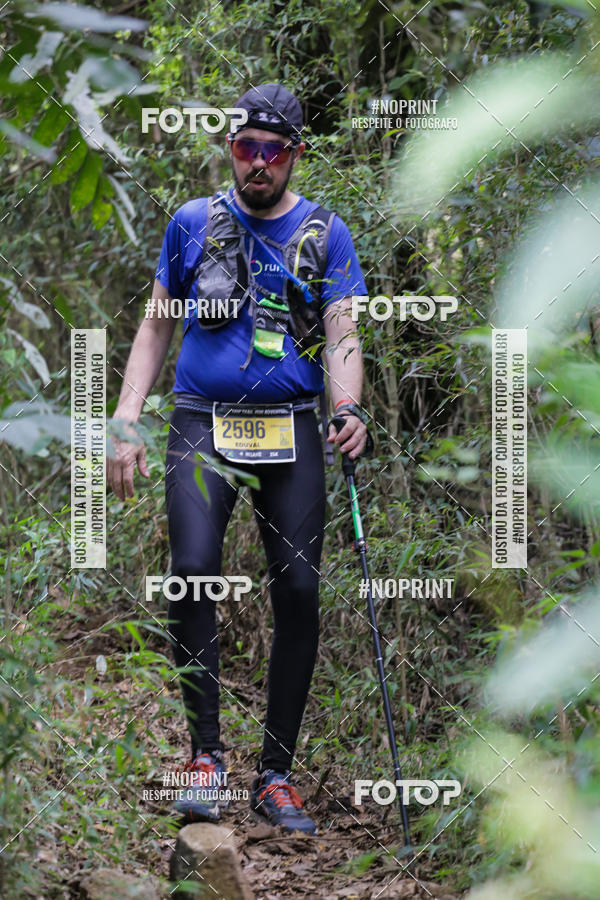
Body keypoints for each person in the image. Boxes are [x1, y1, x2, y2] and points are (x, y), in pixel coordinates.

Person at [108, 83, 368, 835]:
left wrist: (348, 407)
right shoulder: (193, 222)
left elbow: (343, 331)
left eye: (273, 151)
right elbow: (156, 326)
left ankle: (275, 775)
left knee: (300, 589)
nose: (258, 163)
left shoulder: (326, 234)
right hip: (203, 424)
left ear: (295, 155)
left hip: (290, 428)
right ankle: (205, 758)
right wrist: (125, 418)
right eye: (246, 148)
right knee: (192, 570)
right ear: (231, 149)